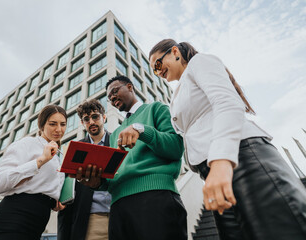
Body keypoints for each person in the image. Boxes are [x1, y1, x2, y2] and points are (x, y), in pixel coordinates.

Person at [148, 39, 306, 240]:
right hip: (215, 171)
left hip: (242, 159)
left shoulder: (200, 62)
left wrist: (221, 162)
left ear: (175, 52)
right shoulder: (178, 92)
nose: (158, 72)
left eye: (158, 64)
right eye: (154, 70)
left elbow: (227, 102)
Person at [75, 75, 187, 240]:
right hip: (118, 207)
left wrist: (142, 130)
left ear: (129, 86)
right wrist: (96, 183)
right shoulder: (115, 136)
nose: (112, 97)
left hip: (154, 198)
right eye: (109, 97)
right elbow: (112, 175)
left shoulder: (157, 109)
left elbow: (176, 148)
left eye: (115, 91)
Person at [0, 104, 67, 240]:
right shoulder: (27, 144)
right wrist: (40, 161)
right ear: (42, 125)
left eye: (63, 124)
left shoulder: (58, 158)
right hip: (12, 218)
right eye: (52, 124)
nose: (58, 129)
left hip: (38, 222)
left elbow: (42, 188)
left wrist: (55, 202)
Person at [57, 99, 111, 240]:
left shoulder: (117, 142)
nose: (91, 122)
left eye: (95, 117)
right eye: (86, 119)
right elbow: (67, 196)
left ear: (104, 118)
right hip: (90, 221)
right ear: (82, 123)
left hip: (121, 217)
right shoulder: (74, 150)